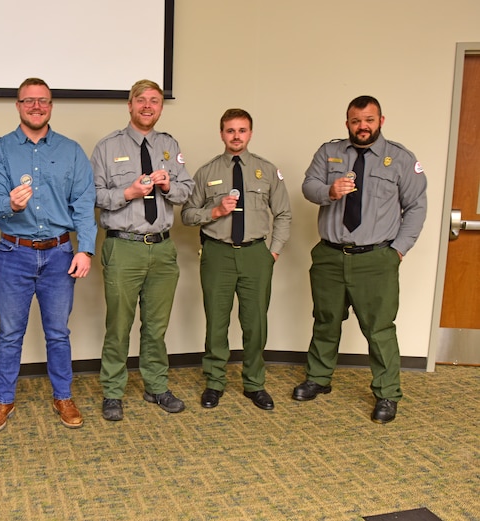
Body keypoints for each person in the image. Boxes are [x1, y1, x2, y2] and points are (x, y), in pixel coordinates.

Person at [295, 95, 427, 424]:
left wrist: (398, 249)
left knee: (379, 328)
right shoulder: (330, 153)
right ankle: (318, 379)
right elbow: (308, 186)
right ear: (347, 124)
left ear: (381, 120)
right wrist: (329, 191)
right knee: (325, 319)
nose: (362, 126)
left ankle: (386, 394)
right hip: (330, 255)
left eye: (369, 120)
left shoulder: (400, 158)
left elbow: (416, 207)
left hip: (376, 257)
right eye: (356, 121)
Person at [0, 77, 96, 433]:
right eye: (28, 101)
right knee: (10, 333)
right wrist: (10, 204)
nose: (36, 106)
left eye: (42, 101)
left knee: (58, 333)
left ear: (51, 106)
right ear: (17, 106)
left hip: (60, 255)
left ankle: (62, 395)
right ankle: (4, 401)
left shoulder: (71, 150)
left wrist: (86, 249)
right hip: (15, 253)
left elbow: (84, 203)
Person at [92, 79, 195, 421]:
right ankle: (113, 391)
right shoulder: (108, 147)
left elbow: (187, 191)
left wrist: (169, 185)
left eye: (155, 100)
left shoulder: (169, 145)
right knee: (119, 324)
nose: (148, 106)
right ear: (130, 105)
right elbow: (94, 196)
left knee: (156, 325)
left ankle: (156, 385)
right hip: (125, 247)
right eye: (142, 100)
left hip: (162, 249)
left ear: (160, 107)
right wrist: (128, 193)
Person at [181, 108, 291, 411]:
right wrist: (213, 212)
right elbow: (188, 214)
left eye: (242, 130)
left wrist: (274, 251)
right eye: (230, 131)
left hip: (257, 253)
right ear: (221, 134)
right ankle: (215, 382)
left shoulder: (266, 170)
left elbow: (283, 213)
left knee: (255, 323)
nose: (236, 136)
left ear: (250, 133)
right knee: (216, 322)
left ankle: (255, 383)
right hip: (218, 253)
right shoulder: (207, 172)